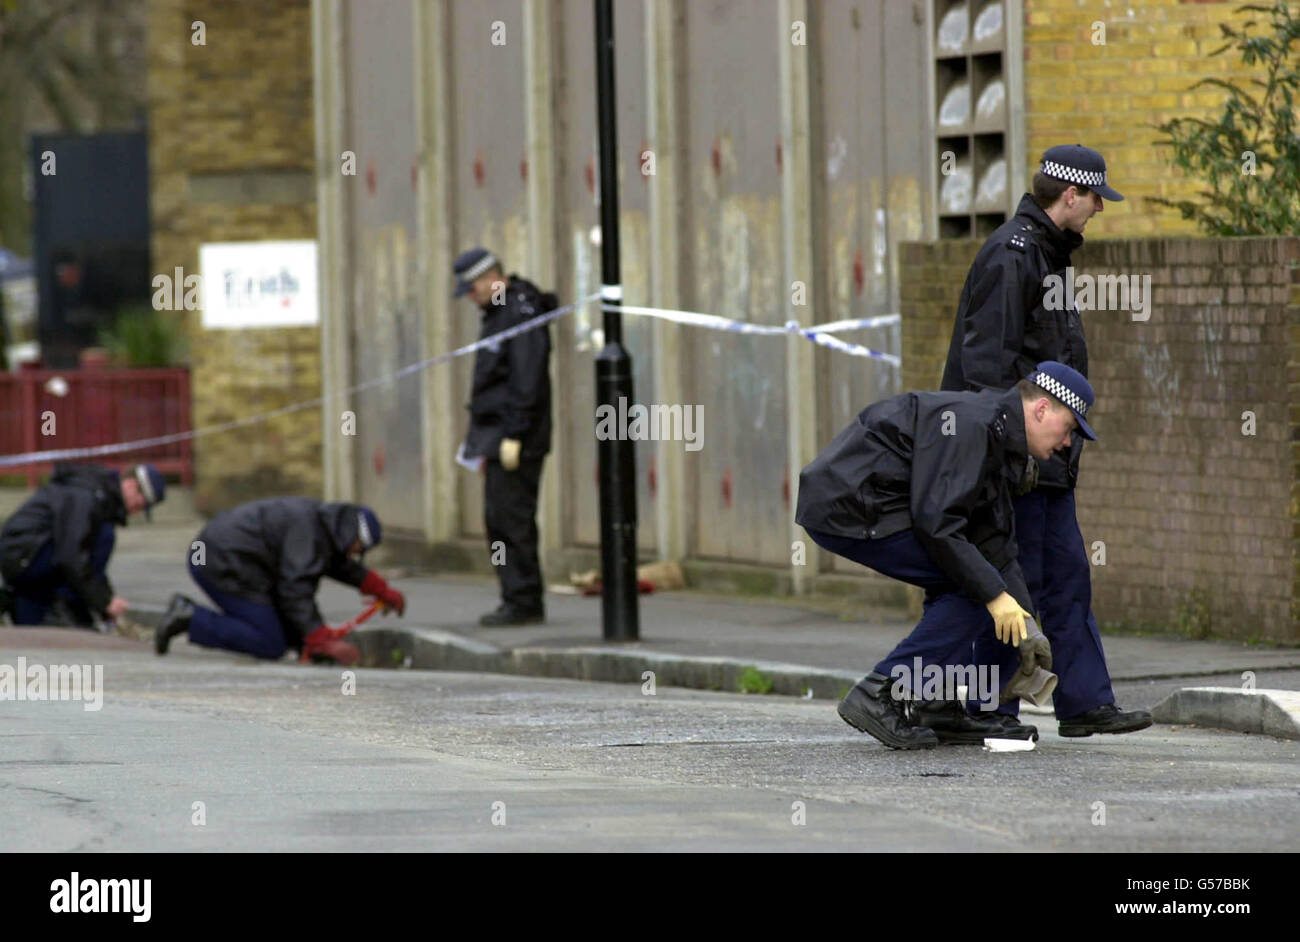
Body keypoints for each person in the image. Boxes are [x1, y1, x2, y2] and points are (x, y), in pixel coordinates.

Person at [940, 144, 1151, 738]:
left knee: (1065, 576)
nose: (1099, 213)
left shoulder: (1047, 256)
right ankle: (991, 711)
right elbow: (986, 368)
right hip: (1019, 459)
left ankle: (1084, 703)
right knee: (1013, 580)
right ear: (1071, 195)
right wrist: (1009, 453)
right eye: (1096, 200)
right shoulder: (1013, 256)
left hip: (1049, 458)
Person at [796, 362, 1094, 750]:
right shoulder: (972, 425)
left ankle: (934, 702)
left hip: (874, 504)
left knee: (975, 579)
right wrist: (993, 594)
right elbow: (937, 523)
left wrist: (1025, 623)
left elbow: (994, 540)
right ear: (1041, 410)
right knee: (972, 586)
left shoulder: (1000, 440)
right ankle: (881, 691)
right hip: (850, 505)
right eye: (1069, 428)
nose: (1068, 443)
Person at [153, 499, 405, 666]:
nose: (356, 554)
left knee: (289, 632)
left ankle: (306, 649)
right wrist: (321, 638)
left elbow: (335, 563)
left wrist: (380, 590)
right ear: (351, 533)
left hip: (223, 555)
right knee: (269, 641)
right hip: (218, 561)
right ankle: (190, 617)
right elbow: (294, 589)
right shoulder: (308, 531)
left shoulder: (322, 525)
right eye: (358, 548)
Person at [454, 247, 555, 627]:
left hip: (516, 436)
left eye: (472, 288)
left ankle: (524, 599)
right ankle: (514, 595)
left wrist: (515, 434)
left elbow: (526, 380)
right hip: (494, 435)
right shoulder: (496, 314)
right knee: (497, 520)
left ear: (489, 279)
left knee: (513, 519)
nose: (470, 297)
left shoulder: (519, 312)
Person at [0, 462, 163, 628]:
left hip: (23, 554)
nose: (136, 511)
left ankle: (24, 601)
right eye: (140, 504)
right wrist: (104, 601)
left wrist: (105, 600)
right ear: (131, 485)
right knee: (104, 535)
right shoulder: (88, 496)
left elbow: (83, 560)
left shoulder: (95, 492)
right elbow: (72, 556)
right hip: (23, 556)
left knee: (33, 619)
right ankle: (65, 607)